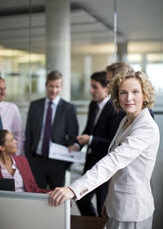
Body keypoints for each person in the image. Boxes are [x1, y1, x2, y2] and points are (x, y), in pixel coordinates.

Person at [49, 70, 160, 229]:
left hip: (133, 211)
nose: (128, 98)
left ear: (145, 94)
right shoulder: (126, 121)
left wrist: (73, 189)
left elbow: (114, 161)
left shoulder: (146, 127)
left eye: (135, 92)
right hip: (117, 205)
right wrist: (109, 200)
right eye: (123, 92)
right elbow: (119, 173)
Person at [69, 71, 116, 217]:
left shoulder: (114, 109)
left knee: (103, 204)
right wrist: (77, 145)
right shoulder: (93, 105)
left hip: (104, 165)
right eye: (91, 86)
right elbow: (88, 130)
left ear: (106, 88)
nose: (91, 90)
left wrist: (90, 139)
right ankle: (94, 224)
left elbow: (112, 143)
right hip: (90, 162)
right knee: (81, 199)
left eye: (95, 87)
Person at [25, 70, 79, 189]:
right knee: (36, 197)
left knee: (56, 201)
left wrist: (66, 164)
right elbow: (28, 134)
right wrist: (29, 160)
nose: (53, 90)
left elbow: (73, 137)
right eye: (51, 86)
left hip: (58, 163)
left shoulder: (68, 108)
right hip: (37, 161)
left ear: (61, 87)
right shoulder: (35, 106)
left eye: (57, 87)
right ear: (46, 85)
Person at [0, 77, 24, 155]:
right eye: (0, 89)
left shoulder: (12, 108)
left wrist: (17, 154)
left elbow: (19, 134)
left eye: (5, 89)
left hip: (7, 157)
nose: (3, 92)